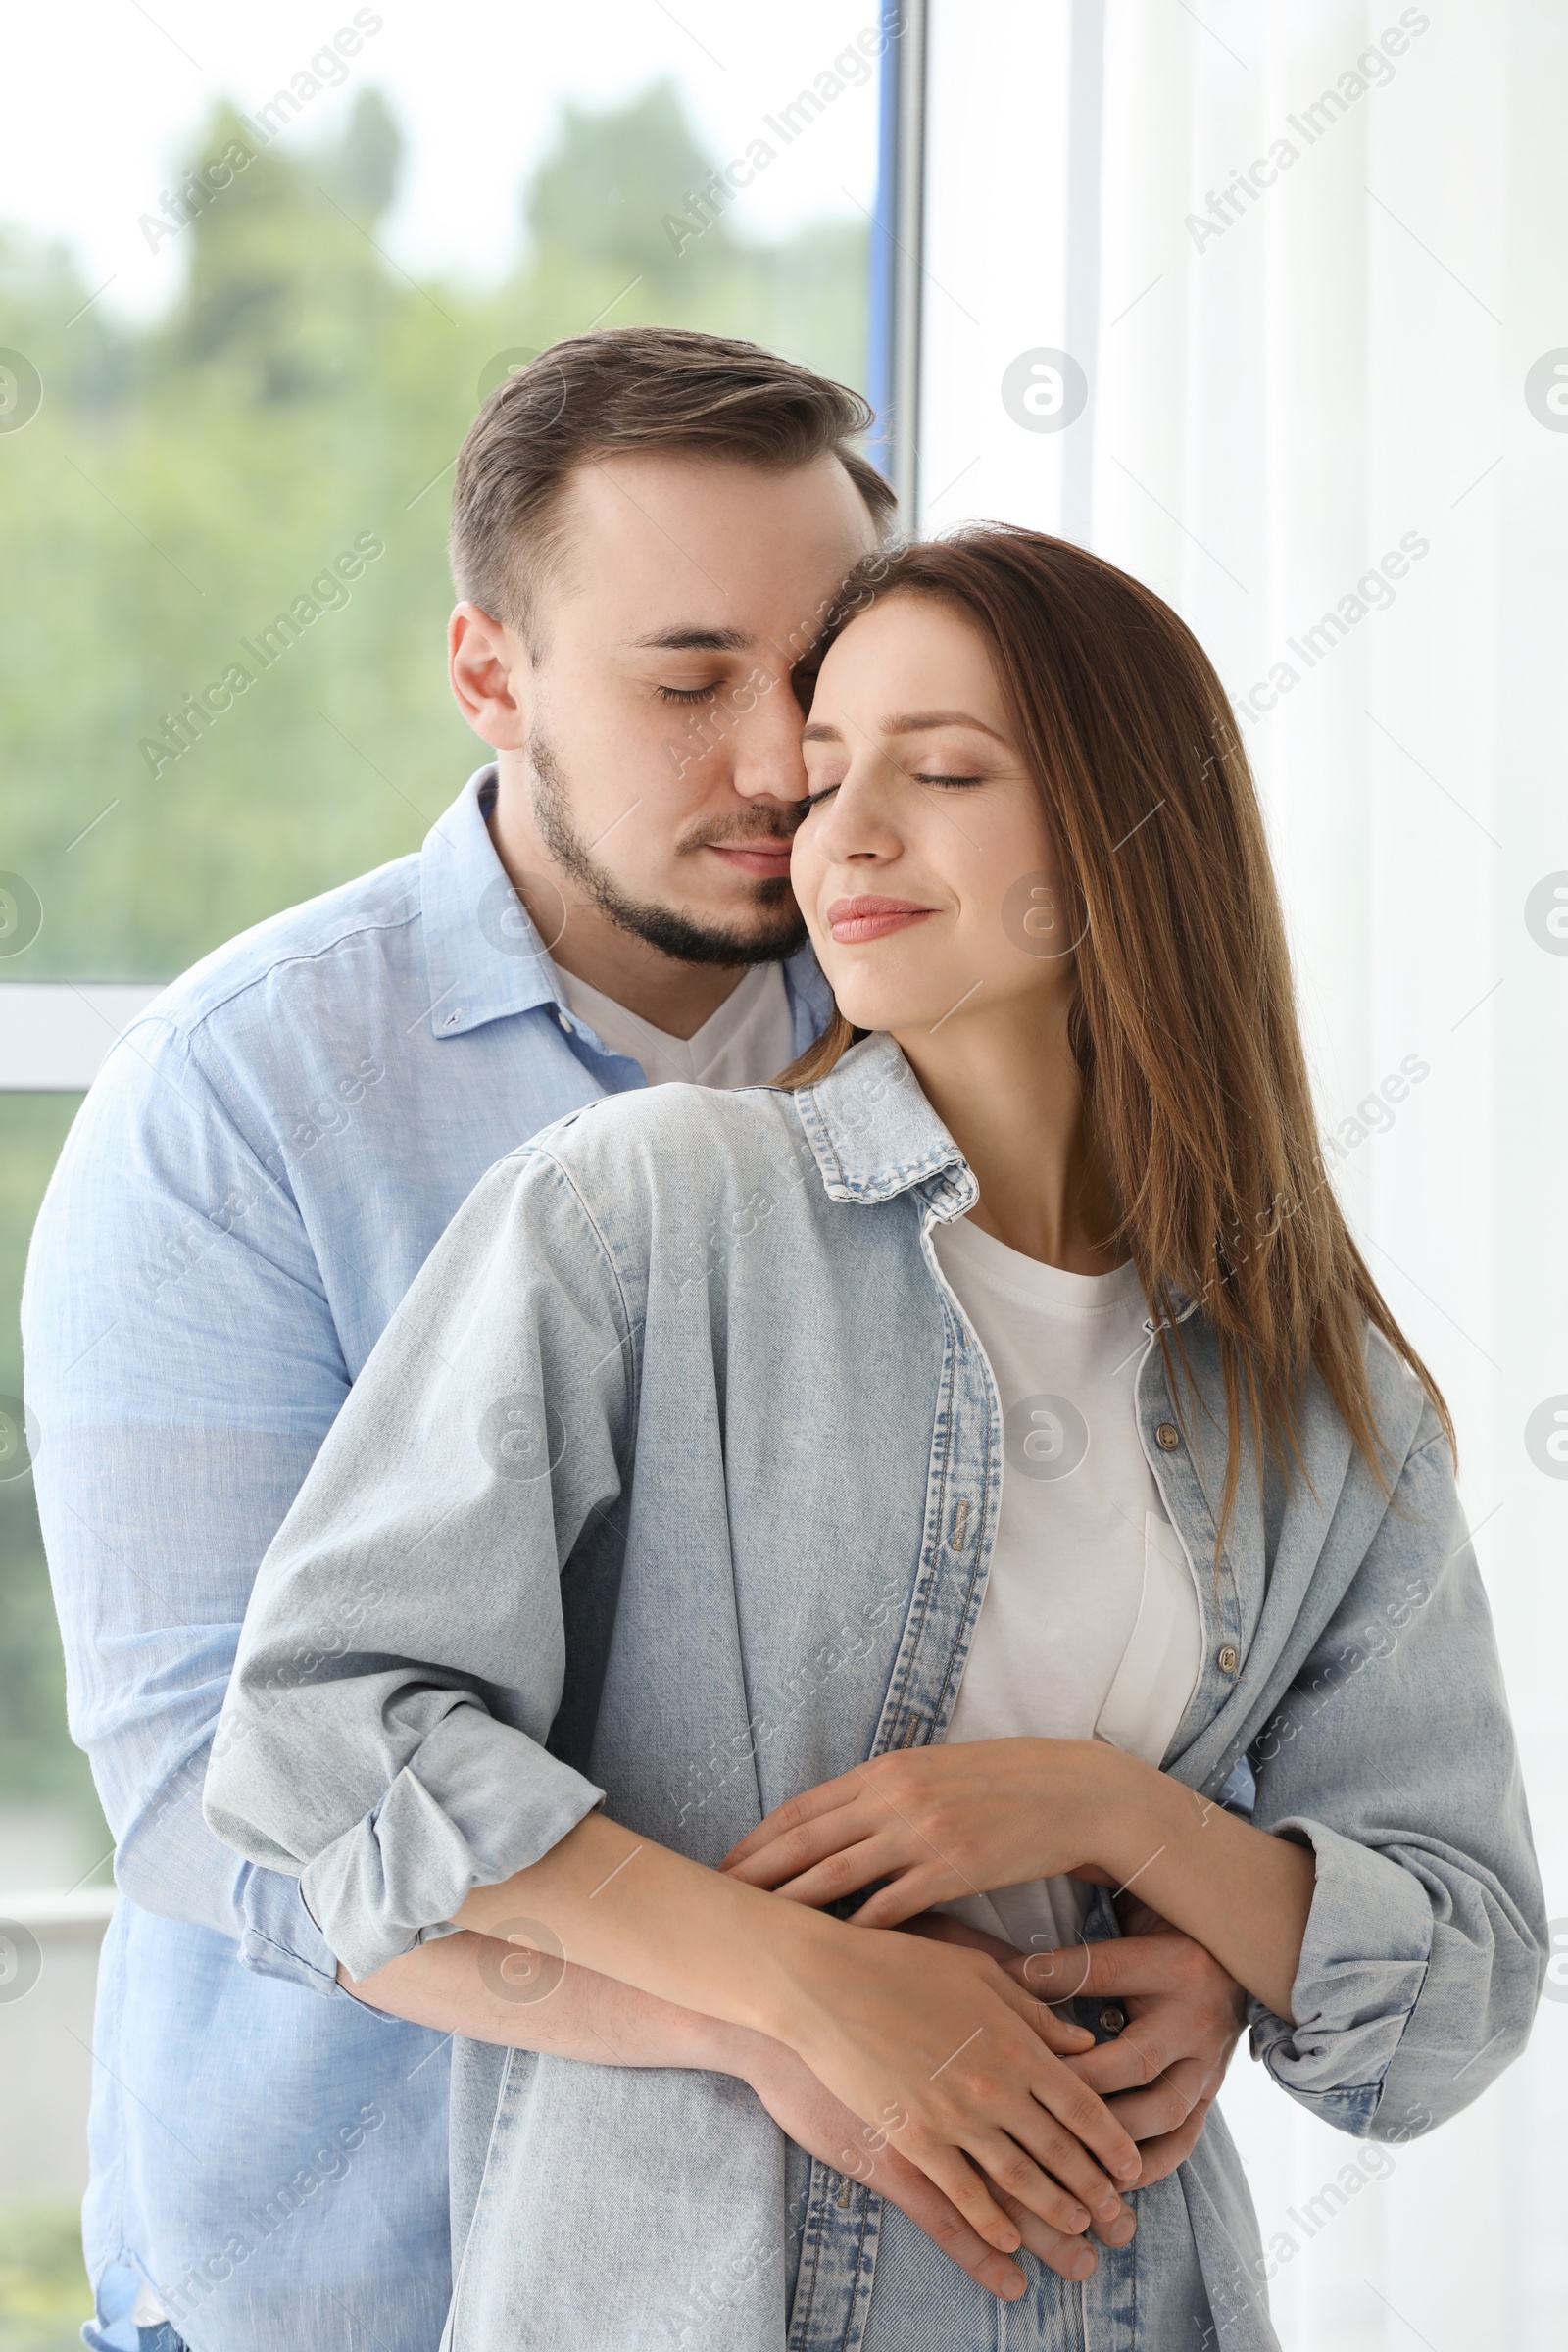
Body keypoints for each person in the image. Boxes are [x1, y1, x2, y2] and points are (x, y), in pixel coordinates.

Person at [23, 336, 1239, 2352]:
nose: (781, 762)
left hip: (856, 2288)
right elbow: (208, 1806)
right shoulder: (239, 1107)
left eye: (823, 670)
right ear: (490, 676)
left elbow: (1134, 1628)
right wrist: (773, 2011)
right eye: (686, 686)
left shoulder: (971, 1065)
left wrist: (1193, 1938)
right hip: (353, 2293)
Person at [205, 524, 1545, 2352]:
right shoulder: (648, 1214)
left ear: (1127, 834)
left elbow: (1461, 1991)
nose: (840, 831)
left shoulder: (1322, 1396)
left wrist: (1127, 1823)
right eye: (829, 776)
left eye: (945, 772)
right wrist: (801, 1988)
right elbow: (322, 1742)